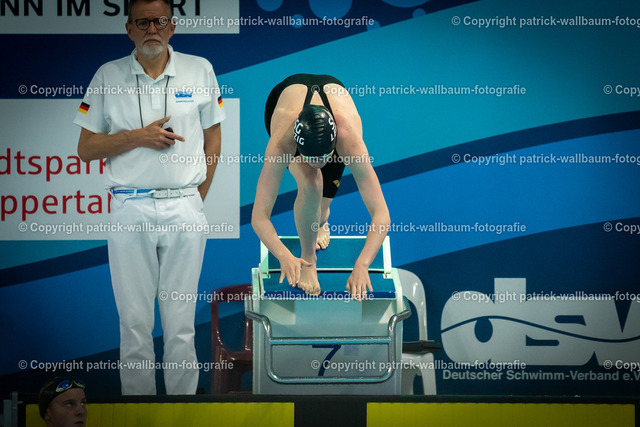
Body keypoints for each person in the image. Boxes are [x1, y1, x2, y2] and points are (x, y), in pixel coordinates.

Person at [74, 0, 226, 395]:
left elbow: (213, 140)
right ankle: (138, 413)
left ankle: (182, 413)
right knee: (134, 323)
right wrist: (137, 137)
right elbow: (86, 148)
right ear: (129, 29)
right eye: (143, 22)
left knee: (181, 325)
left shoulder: (200, 69)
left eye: (160, 21)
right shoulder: (108, 75)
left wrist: (196, 198)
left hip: (184, 207)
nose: (152, 29)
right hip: (131, 206)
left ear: (172, 26)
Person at [252, 74, 390, 301]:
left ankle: (323, 220)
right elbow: (259, 217)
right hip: (283, 99)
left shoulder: (348, 139)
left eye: (323, 158)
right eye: (310, 158)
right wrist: (284, 255)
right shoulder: (282, 144)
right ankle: (309, 260)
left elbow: (382, 214)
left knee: (322, 206)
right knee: (311, 182)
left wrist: (362, 265)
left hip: (336, 105)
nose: (317, 164)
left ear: (334, 145)